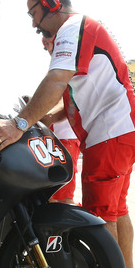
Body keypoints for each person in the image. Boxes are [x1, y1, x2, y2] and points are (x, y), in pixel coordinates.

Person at [0, 0, 135, 268]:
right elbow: (69, 96)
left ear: (50, 1)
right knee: (118, 209)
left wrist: (19, 123)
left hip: (111, 132)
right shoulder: (78, 31)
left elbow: (57, 80)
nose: (33, 24)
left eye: (34, 13)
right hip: (121, 129)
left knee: (100, 216)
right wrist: (47, 116)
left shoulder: (72, 28)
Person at [40, 32, 81, 205]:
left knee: (63, 195)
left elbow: (69, 101)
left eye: (50, 42)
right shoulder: (60, 64)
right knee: (53, 194)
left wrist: (46, 116)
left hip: (66, 139)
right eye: (45, 45)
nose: (48, 48)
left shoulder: (68, 62)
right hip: (59, 139)